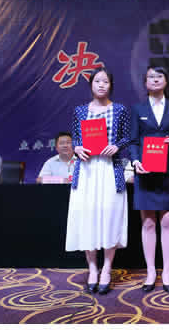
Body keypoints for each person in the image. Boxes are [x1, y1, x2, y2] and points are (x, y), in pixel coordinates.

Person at [65, 67, 131, 295]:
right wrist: (77, 148)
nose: (101, 85)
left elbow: (127, 137)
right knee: (88, 218)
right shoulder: (80, 110)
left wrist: (117, 146)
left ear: (111, 85)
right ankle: (92, 268)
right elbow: (76, 138)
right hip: (87, 170)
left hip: (110, 169)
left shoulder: (120, 109)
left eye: (105, 82)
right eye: (97, 81)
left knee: (110, 217)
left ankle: (107, 268)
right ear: (91, 85)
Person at [130, 66, 169, 294]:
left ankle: (167, 271)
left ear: (166, 81)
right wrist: (135, 161)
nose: (155, 80)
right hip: (145, 172)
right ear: (145, 82)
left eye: (159, 76)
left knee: (168, 222)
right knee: (148, 223)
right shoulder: (137, 109)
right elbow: (133, 141)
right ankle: (151, 271)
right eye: (151, 76)